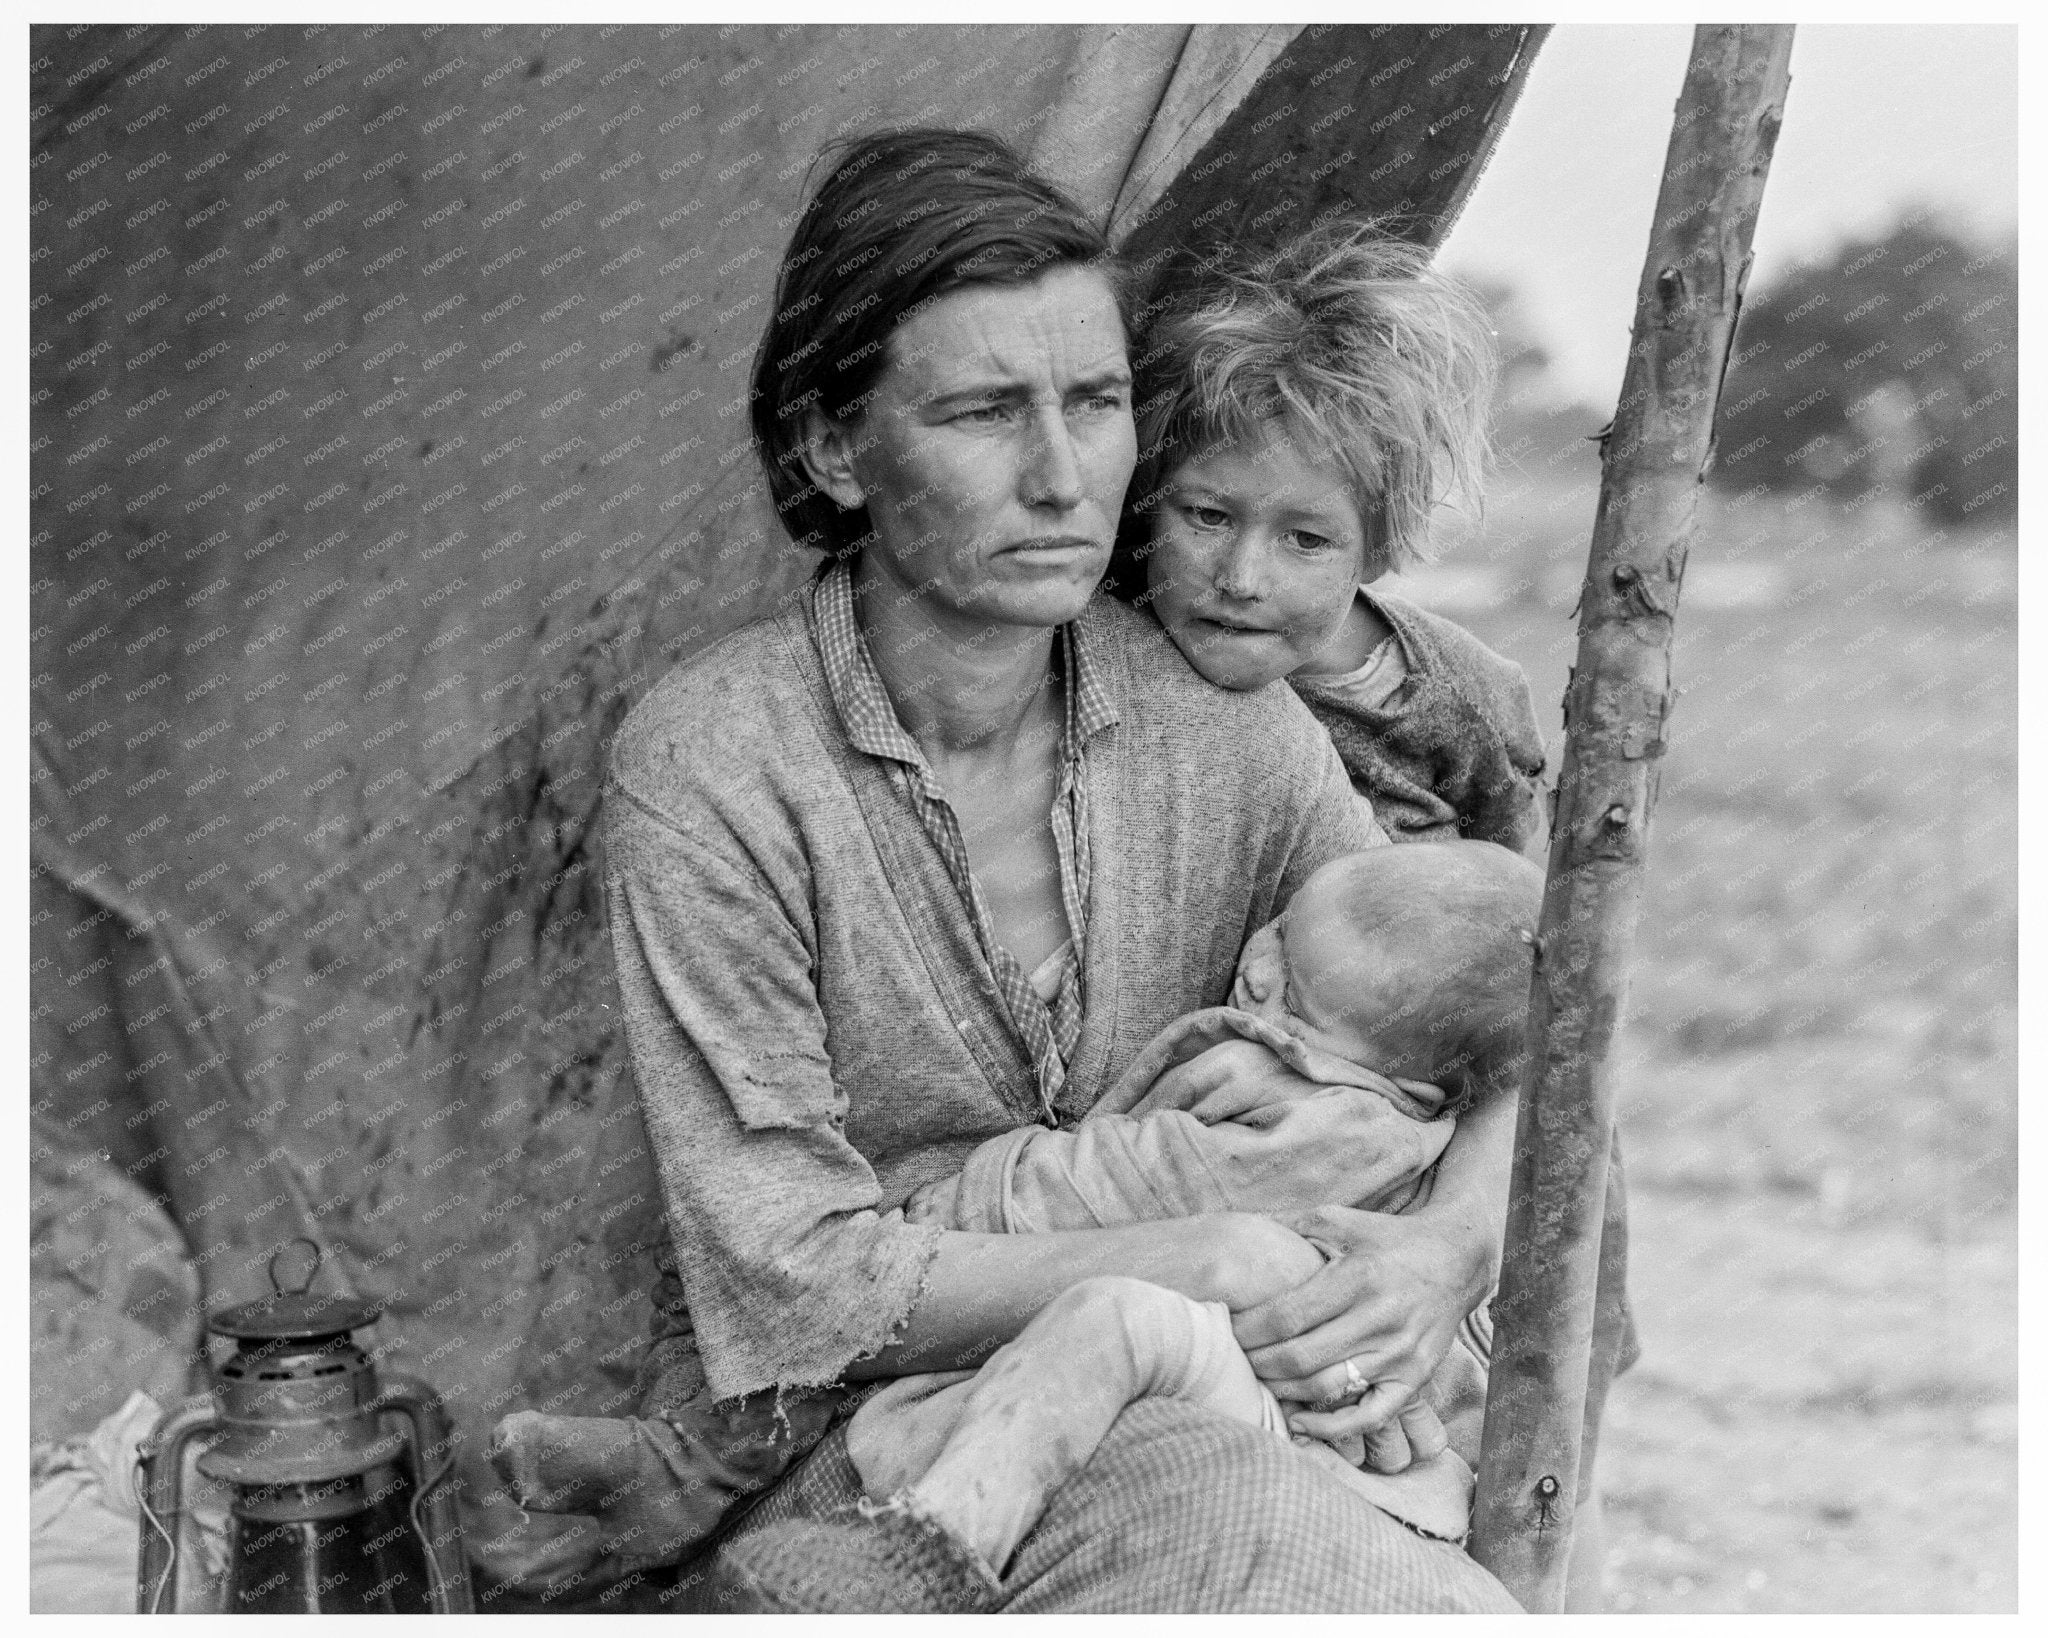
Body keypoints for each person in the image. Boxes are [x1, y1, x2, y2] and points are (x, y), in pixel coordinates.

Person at [578, 126, 1524, 1613]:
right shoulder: (715, 762)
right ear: (839, 445)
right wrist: (1202, 1248)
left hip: (1203, 1395)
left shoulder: (1231, 727)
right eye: (981, 411)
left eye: (1094, 404)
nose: (1059, 475)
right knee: (1237, 1525)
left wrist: (1446, 1256)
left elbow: (1509, 1044)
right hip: (855, 1448)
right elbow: (796, 1279)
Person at [1109, 218, 1548, 854]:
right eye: (1208, 516)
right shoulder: (1106, 638)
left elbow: (1509, 860)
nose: (1240, 580)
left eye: (1307, 541)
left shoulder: (1461, 691)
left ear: (1378, 549)